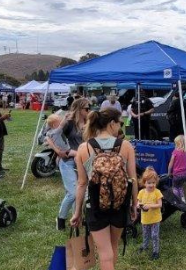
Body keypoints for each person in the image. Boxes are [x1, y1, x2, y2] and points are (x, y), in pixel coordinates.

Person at [71, 108, 138, 270]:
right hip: (120, 204)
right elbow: (133, 178)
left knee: (104, 252)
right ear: (112, 123)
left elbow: (81, 184)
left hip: (94, 206)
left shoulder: (83, 148)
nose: (120, 126)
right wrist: (134, 204)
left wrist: (77, 212)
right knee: (113, 247)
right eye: (120, 123)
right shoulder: (126, 146)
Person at [52, 99, 90, 230]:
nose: (89, 110)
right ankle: (61, 218)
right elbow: (52, 136)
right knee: (73, 193)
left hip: (83, 162)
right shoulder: (69, 123)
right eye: (86, 108)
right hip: (68, 162)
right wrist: (63, 151)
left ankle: (77, 219)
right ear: (79, 109)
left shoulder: (88, 123)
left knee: (82, 192)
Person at [136, 167, 163, 260]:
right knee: (145, 234)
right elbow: (137, 203)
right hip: (145, 219)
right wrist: (139, 205)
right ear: (144, 183)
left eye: (153, 183)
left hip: (155, 219)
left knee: (154, 235)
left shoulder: (157, 192)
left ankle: (156, 251)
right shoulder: (141, 192)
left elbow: (160, 204)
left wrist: (150, 206)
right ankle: (145, 246)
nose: (151, 185)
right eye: (149, 183)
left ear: (156, 183)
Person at [168, 135, 186, 203]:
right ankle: (183, 199)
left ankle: (176, 200)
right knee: (180, 186)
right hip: (185, 174)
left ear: (178, 143)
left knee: (175, 187)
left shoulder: (175, 152)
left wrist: (169, 172)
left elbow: (170, 164)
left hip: (176, 174)